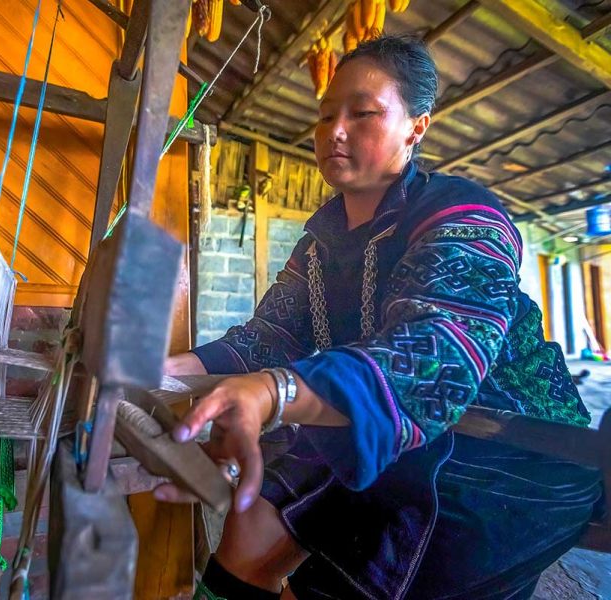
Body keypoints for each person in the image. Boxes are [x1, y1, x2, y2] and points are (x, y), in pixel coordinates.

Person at [159, 35, 602, 600]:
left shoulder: (464, 217)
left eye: (362, 114)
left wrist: (277, 392)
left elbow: (432, 360)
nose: (333, 132)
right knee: (245, 544)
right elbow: (267, 339)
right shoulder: (320, 242)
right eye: (324, 117)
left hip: (514, 450)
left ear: (416, 126)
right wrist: (164, 370)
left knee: (382, 569)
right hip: (393, 431)